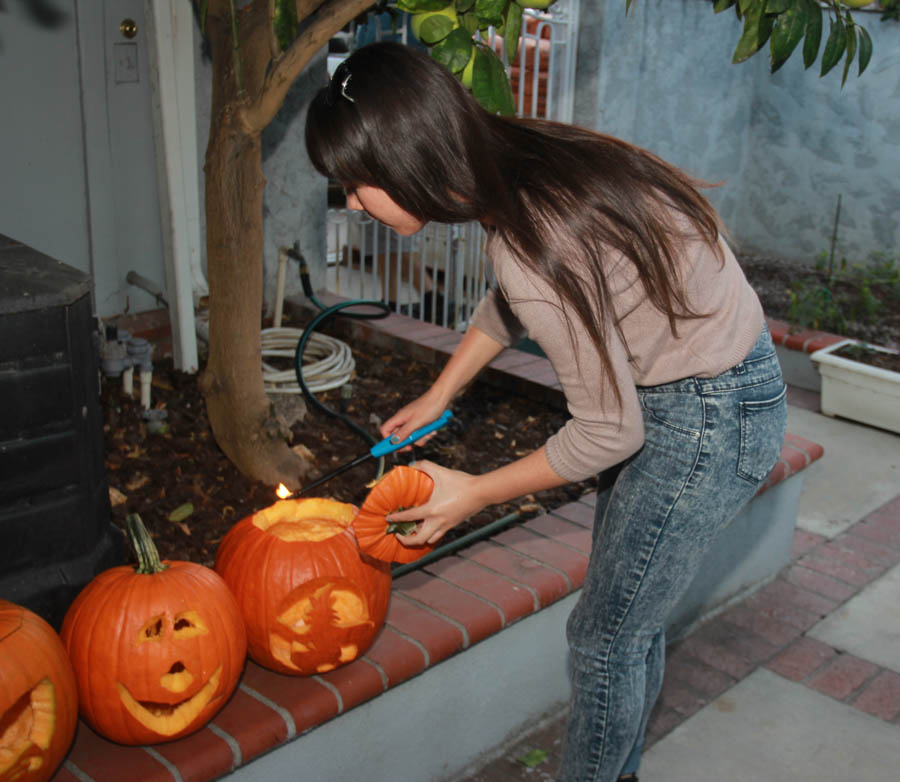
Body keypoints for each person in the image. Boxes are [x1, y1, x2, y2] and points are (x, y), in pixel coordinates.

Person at [305, 41, 787, 782]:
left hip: (707, 419)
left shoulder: (532, 241)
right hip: (710, 386)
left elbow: (607, 429)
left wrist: (471, 493)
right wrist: (442, 391)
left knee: (604, 641)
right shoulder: (521, 159)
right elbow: (524, 298)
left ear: (403, 162)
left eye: (354, 184)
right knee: (628, 623)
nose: (352, 203)